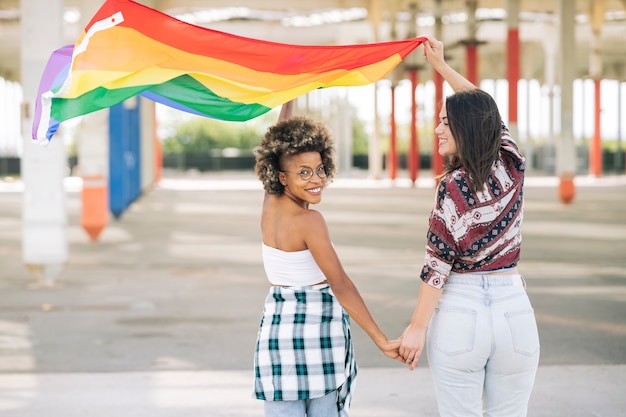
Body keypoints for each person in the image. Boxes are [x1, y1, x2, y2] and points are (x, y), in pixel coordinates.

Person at [399, 36, 540, 417]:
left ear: (466, 128)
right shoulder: (512, 164)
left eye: (445, 123)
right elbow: (484, 109)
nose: (437, 130)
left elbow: (438, 265)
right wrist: (442, 68)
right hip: (515, 312)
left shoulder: (453, 187)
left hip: (461, 313)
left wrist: (417, 327)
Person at [253, 102, 402, 417]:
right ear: (282, 176)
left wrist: (289, 98)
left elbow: (270, 146)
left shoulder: (269, 202)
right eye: (303, 173)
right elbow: (341, 284)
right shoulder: (310, 221)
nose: (315, 179)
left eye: (319, 169)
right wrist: (381, 340)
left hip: (278, 326)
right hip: (316, 327)